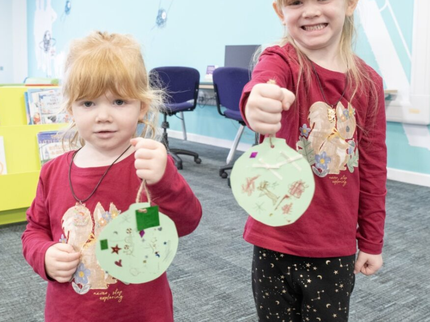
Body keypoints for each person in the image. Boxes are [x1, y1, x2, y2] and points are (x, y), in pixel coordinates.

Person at [22, 31, 202, 322]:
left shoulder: (149, 167)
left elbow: (185, 223)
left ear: (142, 106)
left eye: (119, 102)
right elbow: (34, 231)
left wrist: (165, 180)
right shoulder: (53, 172)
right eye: (88, 103)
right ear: (71, 109)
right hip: (70, 312)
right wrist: (43, 255)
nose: (103, 116)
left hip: (141, 312)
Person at [240, 1, 386, 321]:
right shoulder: (280, 59)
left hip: (334, 249)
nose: (310, 11)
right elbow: (265, 84)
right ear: (281, 12)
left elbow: (373, 169)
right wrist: (258, 102)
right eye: (295, 2)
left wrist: (372, 240)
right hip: (273, 240)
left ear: (349, 5)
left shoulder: (369, 83)